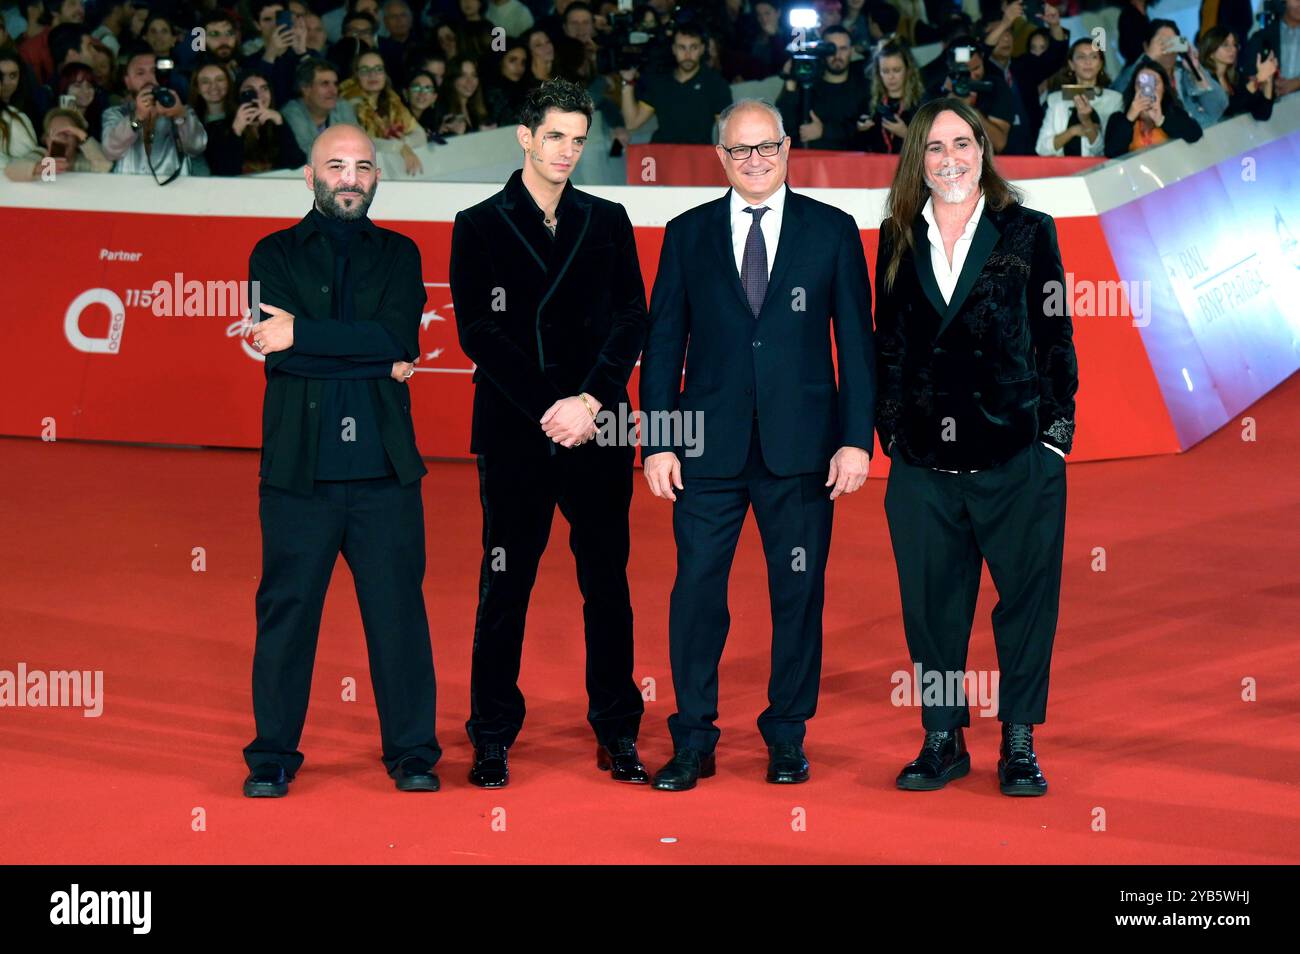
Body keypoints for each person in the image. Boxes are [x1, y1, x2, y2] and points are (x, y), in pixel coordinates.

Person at [639, 98, 875, 791]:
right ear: (720, 156)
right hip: (703, 452)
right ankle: (693, 738)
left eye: (766, 146)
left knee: (797, 593)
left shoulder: (831, 231)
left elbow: (857, 346)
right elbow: (663, 345)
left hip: (801, 451)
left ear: (787, 147)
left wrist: (855, 440)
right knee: (696, 593)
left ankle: (787, 734)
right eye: (740, 149)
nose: (754, 160)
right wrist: (658, 442)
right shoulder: (686, 234)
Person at [448, 79, 650, 789]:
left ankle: (618, 729)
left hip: (599, 426)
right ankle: (492, 733)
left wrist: (589, 400)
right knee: (505, 584)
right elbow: (479, 330)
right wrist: (551, 407)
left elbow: (632, 316)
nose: (567, 150)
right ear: (525, 136)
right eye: (555, 136)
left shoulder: (608, 218)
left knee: (607, 583)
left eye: (578, 139)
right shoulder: (477, 224)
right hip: (516, 429)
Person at [874, 96, 1077, 797]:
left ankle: (1019, 740)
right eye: (934, 147)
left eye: (962, 143)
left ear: (983, 151)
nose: (950, 158)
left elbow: (1056, 335)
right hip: (923, 464)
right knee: (931, 607)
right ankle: (942, 736)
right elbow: (888, 344)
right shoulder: (897, 235)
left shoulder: (1028, 230)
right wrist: (892, 432)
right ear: (918, 160)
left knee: (1026, 602)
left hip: (1015, 454)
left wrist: (1053, 438)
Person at [242, 122, 441, 798]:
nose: (350, 178)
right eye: (336, 166)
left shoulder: (401, 253)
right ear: (310, 176)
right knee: (287, 614)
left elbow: (399, 337)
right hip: (297, 473)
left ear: (377, 177)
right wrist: (373, 358)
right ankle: (271, 756)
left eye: (362, 166)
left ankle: (412, 753)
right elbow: (278, 356)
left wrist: (304, 334)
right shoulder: (271, 253)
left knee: (398, 615)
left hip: (386, 472)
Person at [100, 44, 207, 179]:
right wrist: (138, 117)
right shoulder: (115, 113)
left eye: (155, 71)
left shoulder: (181, 110)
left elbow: (196, 147)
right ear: (128, 82)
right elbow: (110, 151)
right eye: (140, 73)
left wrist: (179, 115)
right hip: (128, 190)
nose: (149, 79)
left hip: (175, 189)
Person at [620, 22, 732, 144]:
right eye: (681, 47)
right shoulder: (660, 82)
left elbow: (726, 133)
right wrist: (628, 81)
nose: (687, 55)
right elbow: (632, 123)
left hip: (697, 153)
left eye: (693, 47)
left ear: (702, 49)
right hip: (661, 151)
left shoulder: (716, 85)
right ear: (674, 49)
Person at [775, 25, 869, 150]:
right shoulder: (808, 85)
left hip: (851, 159)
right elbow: (783, 126)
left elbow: (866, 131)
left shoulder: (863, 86)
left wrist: (824, 131)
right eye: (831, 49)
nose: (837, 55)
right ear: (822, 50)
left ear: (851, 50)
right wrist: (790, 83)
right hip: (811, 158)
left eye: (843, 48)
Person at [340, 48, 427, 175]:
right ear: (356, 76)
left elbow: (420, 134)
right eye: (365, 70)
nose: (372, 75)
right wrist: (399, 147)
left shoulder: (392, 101)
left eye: (378, 69)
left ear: (385, 74)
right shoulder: (348, 105)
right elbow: (361, 143)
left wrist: (404, 143)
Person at [1036, 38, 1121, 157]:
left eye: (1093, 57)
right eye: (1081, 57)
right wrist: (1073, 131)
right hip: (1062, 166)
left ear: (1101, 64)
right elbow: (1042, 149)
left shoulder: (1114, 99)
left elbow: (1106, 149)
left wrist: (1086, 122)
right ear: (1071, 64)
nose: (1088, 62)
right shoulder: (1055, 99)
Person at [1104, 58, 1202, 157]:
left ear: (1164, 88)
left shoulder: (1174, 113)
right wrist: (1129, 118)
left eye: (1154, 82)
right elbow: (1112, 153)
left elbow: (1195, 135)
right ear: (1134, 88)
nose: (1147, 88)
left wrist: (1161, 120)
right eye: (1141, 83)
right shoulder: (1118, 119)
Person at [283, 56, 359, 157]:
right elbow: (308, 155)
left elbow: (359, 145)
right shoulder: (292, 114)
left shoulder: (343, 107)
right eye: (325, 84)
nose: (333, 91)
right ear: (306, 89)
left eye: (335, 84)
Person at [859, 38, 923, 154]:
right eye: (885, 71)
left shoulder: (921, 103)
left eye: (896, 70)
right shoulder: (870, 103)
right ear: (878, 73)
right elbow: (857, 146)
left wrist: (906, 134)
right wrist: (860, 129)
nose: (891, 77)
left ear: (908, 70)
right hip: (876, 164)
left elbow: (932, 146)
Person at [1200, 27, 1276, 122]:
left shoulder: (1236, 77)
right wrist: (1257, 79)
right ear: (1210, 52)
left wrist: (1269, 80)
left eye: (1234, 44)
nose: (1233, 49)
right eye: (1225, 45)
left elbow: (1263, 114)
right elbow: (1225, 111)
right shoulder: (1203, 79)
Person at [1242, 0, 1300, 98]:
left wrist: (1297, 82)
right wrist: (1267, 82)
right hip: (1270, 103)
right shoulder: (1261, 37)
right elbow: (1248, 75)